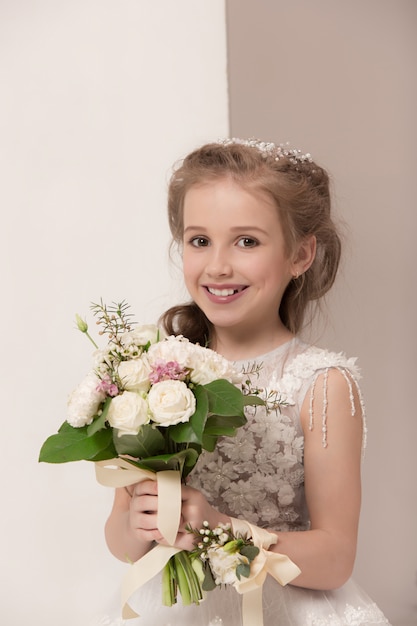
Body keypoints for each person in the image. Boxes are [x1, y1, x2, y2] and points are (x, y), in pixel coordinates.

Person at [101, 139, 391, 625]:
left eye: (247, 241)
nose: (217, 266)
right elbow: (120, 540)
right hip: (174, 607)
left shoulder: (321, 384)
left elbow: (336, 557)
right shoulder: (155, 372)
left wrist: (224, 529)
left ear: (300, 254)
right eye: (200, 241)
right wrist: (141, 522)